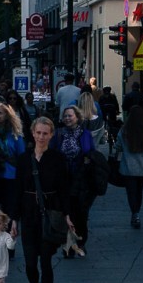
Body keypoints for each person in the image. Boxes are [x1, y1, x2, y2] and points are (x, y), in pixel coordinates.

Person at [10, 117, 73, 283]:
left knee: (45, 260)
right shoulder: (23, 159)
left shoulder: (57, 159)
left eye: (45, 133)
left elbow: (64, 188)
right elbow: (17, 189)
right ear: (33, 133)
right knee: (29, 263)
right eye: (38, 132)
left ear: (52, 135)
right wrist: (14, 219)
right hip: (28, 214)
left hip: (50, 213)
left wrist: (67, 215)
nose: (41, 137)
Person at [51, 105, 95, 256]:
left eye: (70, 116)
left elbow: (92, 152)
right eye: (65, 116)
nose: (68, 118)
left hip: (81, 179)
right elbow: (52, 153)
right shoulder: (58, 134)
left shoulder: (85, 134)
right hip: (63, 179)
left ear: (77, 117)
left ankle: (81, 242)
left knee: (81, 213)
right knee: (66, 212)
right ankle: (68, 245)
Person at [115, 106, 143, 229]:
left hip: (128, 167)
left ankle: (135, 213)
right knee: (139, 192)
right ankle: (136, 212)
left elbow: (118, 147)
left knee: (131, 192)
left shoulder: (124, 131)